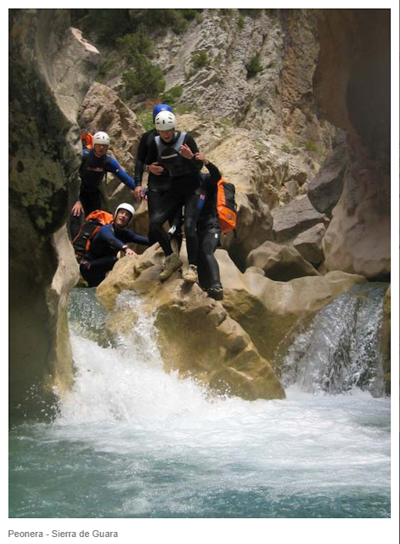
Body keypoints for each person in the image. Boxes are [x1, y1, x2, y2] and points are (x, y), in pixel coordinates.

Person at [146, 111, 204, 282]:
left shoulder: (187, 139)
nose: (166, 134)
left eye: (169, 130)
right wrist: (149, 169)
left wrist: (191, 157)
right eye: (163, 131)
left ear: (174, 128)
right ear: (157, 130)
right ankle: (172, 259)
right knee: (155, 223)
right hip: (175, 188)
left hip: (193, 188)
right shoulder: (155, 143)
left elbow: (200, 165)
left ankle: (193, 267)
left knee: (190, 227)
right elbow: (147, 163)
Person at [70, 131, 141, 238]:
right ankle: (76, 248)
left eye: (104, 146)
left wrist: (139, 189)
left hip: (93, 195)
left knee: (95, 221)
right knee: (76, 214)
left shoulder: (107, 161)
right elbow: (72, 177)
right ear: (94, 145)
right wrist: (77, 199)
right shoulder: (84, 156)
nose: (101, 148)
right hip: (78, 192)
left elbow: (124, 177)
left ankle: (90, 247)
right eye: (99, 145)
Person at [134, 104, 183, 250]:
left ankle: (175, 253)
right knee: (154, 222)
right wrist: (138, 183)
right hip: (155, 184)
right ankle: (164, 254)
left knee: (175, 220)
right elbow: (140, 161)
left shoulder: (179, 138)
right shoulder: (147, 138)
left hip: (173, 184)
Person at [79, 203, 150, 287]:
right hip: (87, 266)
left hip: (101, 267)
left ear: (129, 220)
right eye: (121, 213)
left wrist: (164, 239)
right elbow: (111, 239)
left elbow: (146, 241)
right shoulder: (105, 229)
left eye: (127, 215)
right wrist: (126, 248)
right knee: (114, 260)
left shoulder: (126, 234)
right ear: (116, 215)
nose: (123, 216)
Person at [195, 152, 224, 300]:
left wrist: (207, 162)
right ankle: (206, 288)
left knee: (206, 251)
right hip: (198, 229)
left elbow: (217, 176)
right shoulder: (187, 187)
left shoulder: (206, 180)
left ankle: (217, 285)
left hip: (211, 226)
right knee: (200, 257)